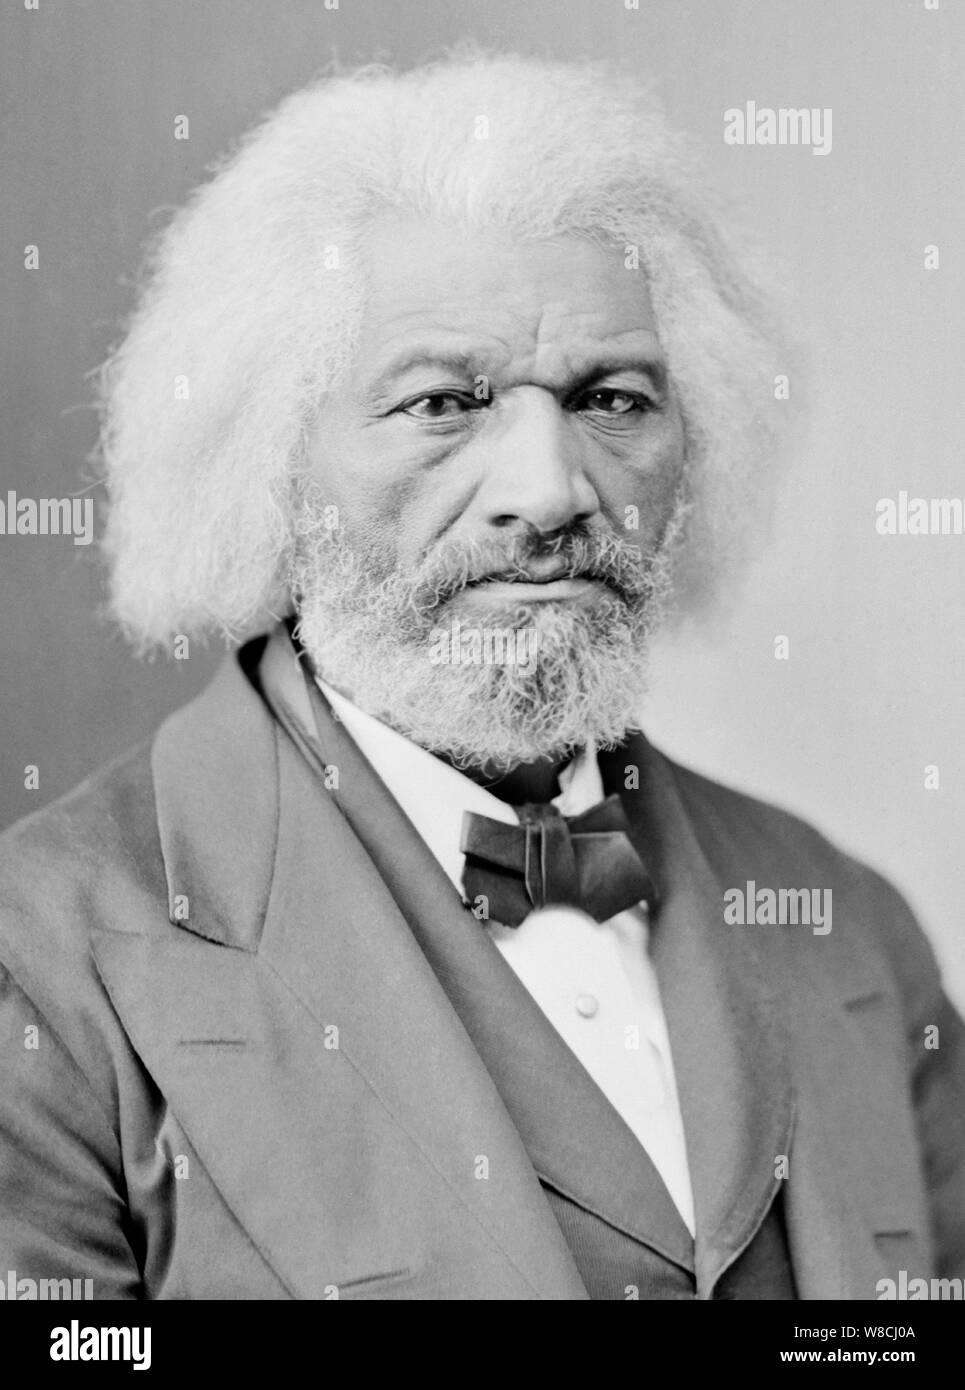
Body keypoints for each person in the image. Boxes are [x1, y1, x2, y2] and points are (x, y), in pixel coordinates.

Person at [1, 52, 962, 1301]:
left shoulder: (848, 924)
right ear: (270, 463)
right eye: (444, 402)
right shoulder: (48, 955)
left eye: (610, 399)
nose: (549, 490)